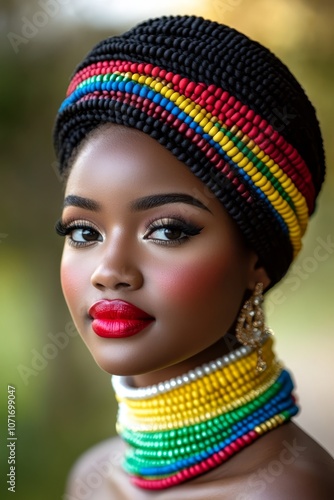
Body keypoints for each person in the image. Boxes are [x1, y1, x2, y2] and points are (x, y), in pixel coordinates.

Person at [53, 15, 334, 499]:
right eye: (84, 231)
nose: (109, 271)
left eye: (166, 230)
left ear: (257, 261)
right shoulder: (91, 480)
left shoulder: (288, 489)